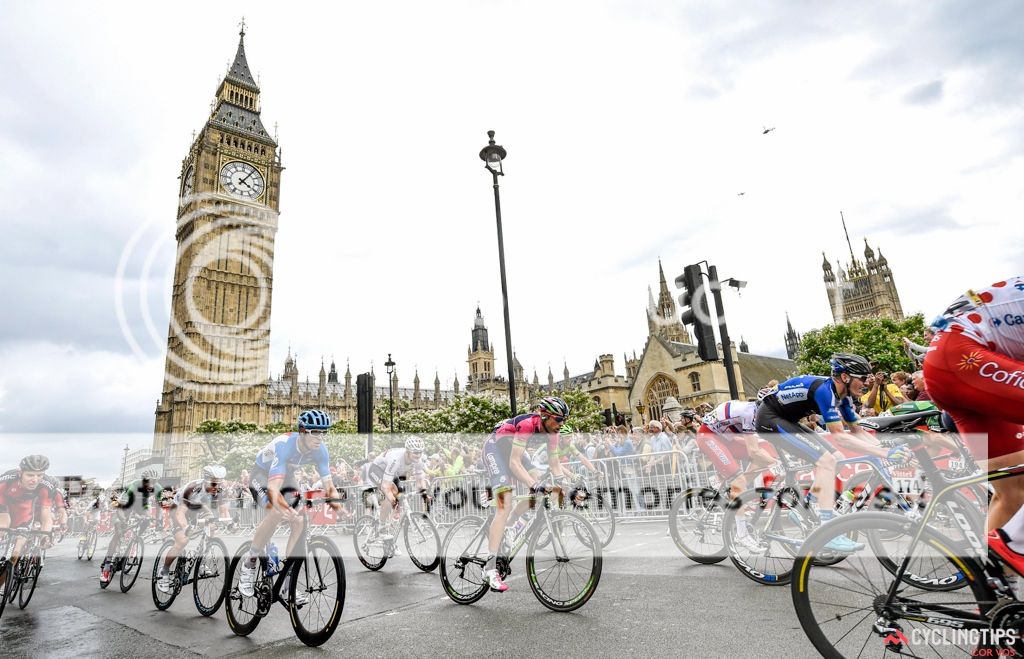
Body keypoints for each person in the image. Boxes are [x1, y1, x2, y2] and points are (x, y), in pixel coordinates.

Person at [755, 354, 910, 551]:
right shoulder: (825, 391)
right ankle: (825, 527)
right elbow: (840, 436)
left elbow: (857, 431)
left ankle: (807, 505)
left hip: (787, 419)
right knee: (826, 460)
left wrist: (885, 449)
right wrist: (885, 454)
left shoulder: (843, 397)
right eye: (862, 378)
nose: (867, 382)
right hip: (769, 418)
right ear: (845, 377)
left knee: (837, 458)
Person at [921, 276, 1024, 570]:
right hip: (962, 356)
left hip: (953, 360)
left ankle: (993, 598)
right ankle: (1012, 541)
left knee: (1013, 490)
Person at [237, 410, 343, 604]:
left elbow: (329, 486)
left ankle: (288, 582)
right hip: (262, 475)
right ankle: (250, 562)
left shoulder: (321, 451)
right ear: (302, 431)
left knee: (299, 519)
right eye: (315, 432)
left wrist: (338, 505)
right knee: (276, 512)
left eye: (323, 432)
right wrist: (285, 508)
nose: (320, 437)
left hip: (287, 475)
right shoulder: (286, 446)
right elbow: (273, 490)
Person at [481, 396, 572, 593]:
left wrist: (565, 483)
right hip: (495, 448)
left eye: (564, 420)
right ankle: (490, 568)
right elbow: (514, 463)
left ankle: (510, 526)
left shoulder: (553, 433)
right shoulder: (527, 425)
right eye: (558, 419)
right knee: (504, 504)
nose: (561, 424)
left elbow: (555, 465)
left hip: (514, 452)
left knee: (543, 484)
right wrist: (534, 484)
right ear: (545, 416)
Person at [156, 465, 229, 594]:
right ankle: (164, 570)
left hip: (198, 507)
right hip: (179, 509)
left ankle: (201, 562)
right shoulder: (193, 488)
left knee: (211, 523)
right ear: (206, 481)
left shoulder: (221, 490)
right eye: (213, 484)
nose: (216, 488)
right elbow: (180, 514)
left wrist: (230, 524)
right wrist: (186, 528)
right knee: (182, 541)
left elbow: (224, 513)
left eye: (219, 484)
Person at [0, 455, 55, 586]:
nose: (35, 480)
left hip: (25, 513)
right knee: (2, 527)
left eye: (39, 475)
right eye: (30, 475)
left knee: (16, 553)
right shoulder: (6, 480)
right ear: (20, 473)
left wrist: (45, 534)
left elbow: (46, 514)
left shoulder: (46, 486)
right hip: (5, 506)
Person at [100, 469, 159, 585]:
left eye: (154, 482)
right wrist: (124, 520)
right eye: (149, 482)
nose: (152, 485)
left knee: (147, 520)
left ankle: (135, 540)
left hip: (139, 503)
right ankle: (106, 566)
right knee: (119, 530)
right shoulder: (133, 486)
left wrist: (150, 517)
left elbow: (145, 506)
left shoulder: (152, 488)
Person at [365, 436, 430, 537]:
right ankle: (381, 527)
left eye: (420, 452)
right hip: (377, 469)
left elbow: (420, 481)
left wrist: (424, 496)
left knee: (400, 495)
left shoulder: (419, 461)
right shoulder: (396, 459)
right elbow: (385, 487)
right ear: (407, 452)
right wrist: (393, 501)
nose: (418, 455)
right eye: (415, 452)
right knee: (390, 497)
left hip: (391, 473)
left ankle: (390, 530)